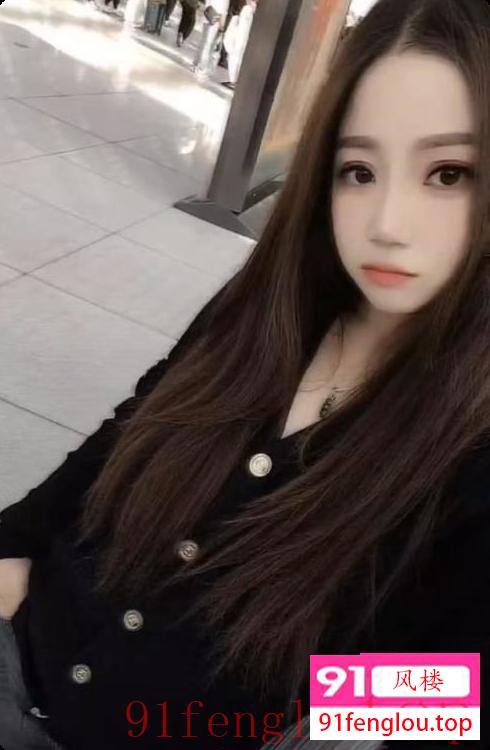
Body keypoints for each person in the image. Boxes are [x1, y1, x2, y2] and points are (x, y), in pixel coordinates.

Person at [1, 0, 490, 749]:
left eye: (447, 173)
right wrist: (13, 543)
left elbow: (450, 690)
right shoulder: (271, 306)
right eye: (358, 171)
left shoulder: (470, 450)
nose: (387, 222)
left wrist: (278, 718)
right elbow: (127, 431)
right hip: (22, 643)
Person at [222, 0, 256, 89]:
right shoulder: (252, 10)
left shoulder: (248, 9)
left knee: (235, 56)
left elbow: (242, 28)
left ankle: (233, 80)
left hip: (239, 38)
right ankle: (235, 80)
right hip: (243, 38)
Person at [191, 0, 230, 77]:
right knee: (208, 44)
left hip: (208, 15)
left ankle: (195, 64)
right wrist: (222, 26)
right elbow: (224, 11)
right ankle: (202, 67)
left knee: (203, 42)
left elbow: (207, 3)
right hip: (216, 19)